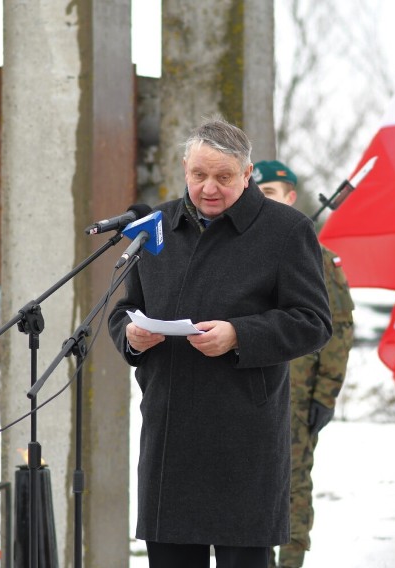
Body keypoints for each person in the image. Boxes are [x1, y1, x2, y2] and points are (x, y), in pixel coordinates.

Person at [108, 118, 332, 568]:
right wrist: (131, 336)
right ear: (184, 169)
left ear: (248, 175)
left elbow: (313, 321)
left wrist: (239, 335)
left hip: (243, 438)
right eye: (199, 175)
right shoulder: (155, 229)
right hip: (170, 433)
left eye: (224, 177)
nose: (209, 188)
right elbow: (122, 310)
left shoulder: (286, 231)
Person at [254, 160, 355, 568]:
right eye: (257, 196)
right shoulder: (237, 253)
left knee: (292, 486)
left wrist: (325, 395)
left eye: (272, 195)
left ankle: (290, 562)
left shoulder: (314, 255)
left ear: (290, 198)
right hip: (244, 395)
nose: (264, 203)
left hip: (294, 398)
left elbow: (338, 330)